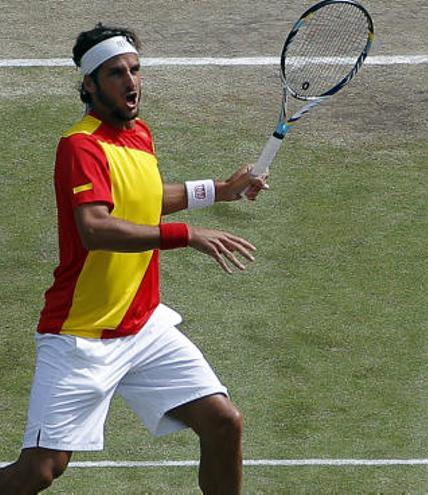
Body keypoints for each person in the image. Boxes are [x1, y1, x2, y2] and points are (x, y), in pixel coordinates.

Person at [0, 24, 267, 494]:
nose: (131, 81)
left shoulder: (138, 134)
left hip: (143, 327)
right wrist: (185, 236)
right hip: (81, 337)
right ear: (89, 84)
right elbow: (96, 228)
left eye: (135, 70)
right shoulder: (80, 146)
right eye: (116, 73)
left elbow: (143, 197)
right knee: (38, 472)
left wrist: (218, 191)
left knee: (224, 423)